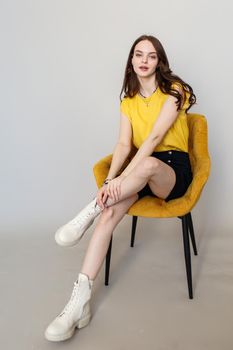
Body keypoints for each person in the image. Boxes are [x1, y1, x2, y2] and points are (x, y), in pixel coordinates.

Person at [44, 34, 196, 342]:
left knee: (150, 164)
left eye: (151, 56)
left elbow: (153, 140)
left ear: (159, 61)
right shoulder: (127, 102)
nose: (143, 60)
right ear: (131, 60)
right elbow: (124, 144)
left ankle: (91, 206)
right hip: (140, 169)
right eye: (138, 54)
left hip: (171, 172)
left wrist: (123, 178)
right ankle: (78, 303)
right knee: (110, 214)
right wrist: (111, 182)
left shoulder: (175, 90)